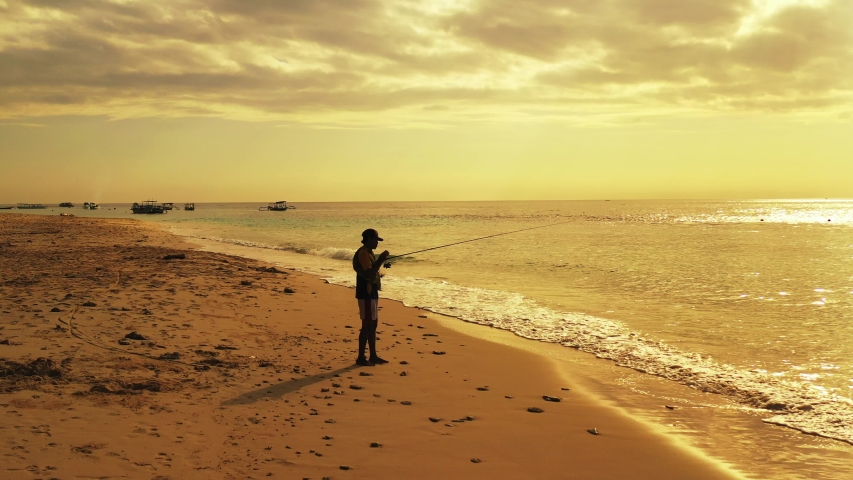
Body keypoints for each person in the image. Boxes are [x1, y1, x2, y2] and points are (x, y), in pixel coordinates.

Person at [352, 228, 390, 366]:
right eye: (375, 240)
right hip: (365, 293)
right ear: (368, 239)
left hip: (371, 291)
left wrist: (379, 266)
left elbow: (371, 272)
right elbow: (368, 274)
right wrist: (380, 260)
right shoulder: (363, 253)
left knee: (373, 324)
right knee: (367, 325)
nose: (377, 243)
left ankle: (373, 356)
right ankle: (361, 358)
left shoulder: (368, 253)